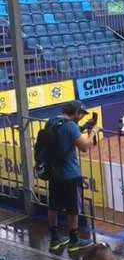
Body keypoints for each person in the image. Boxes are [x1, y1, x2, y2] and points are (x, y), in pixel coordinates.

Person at [48, 100, 101, 252]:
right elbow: (85, 147)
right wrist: (93, 132)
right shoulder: (71, 126)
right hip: (70, 174)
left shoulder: (53, 121)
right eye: (82, 114)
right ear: (76, 112)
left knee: (53, 206)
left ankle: (54, 239)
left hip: (54, 172)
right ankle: (74, 240)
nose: (82, 117)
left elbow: (67, 135)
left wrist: (83, 128)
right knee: (73, 208)